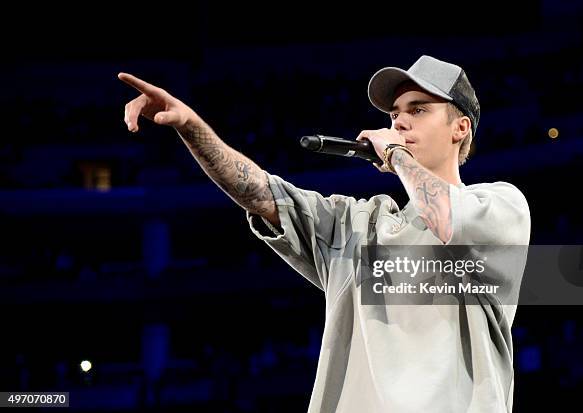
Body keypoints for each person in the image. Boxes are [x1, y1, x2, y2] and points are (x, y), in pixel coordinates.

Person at [119, 55, 531, 413]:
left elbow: (445, 217)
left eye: (418, 110)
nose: (400, 120)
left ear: (460, 128)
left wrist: (395, 153)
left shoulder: (501, 207)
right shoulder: (358, 225)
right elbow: (261, 193)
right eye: (394, 114)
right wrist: (191, 125)